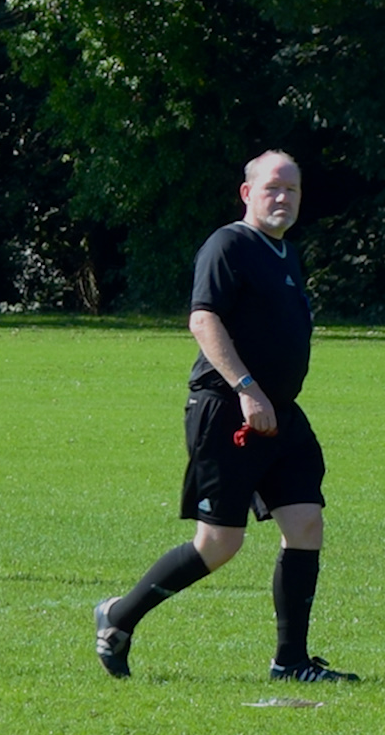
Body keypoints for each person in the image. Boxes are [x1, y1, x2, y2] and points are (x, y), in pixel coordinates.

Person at [94, 151, 358, 683]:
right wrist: (247, 389)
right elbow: (202, 318)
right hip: (228, 410)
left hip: (281, 413)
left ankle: (291, 662)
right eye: (272, 188)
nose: (282, 198)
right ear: (247, 193)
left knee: (305, 521)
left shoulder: (285, 254)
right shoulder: (228, 245)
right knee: (219, 544)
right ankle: (118, 618)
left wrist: (270, 396)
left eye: (292, 190)